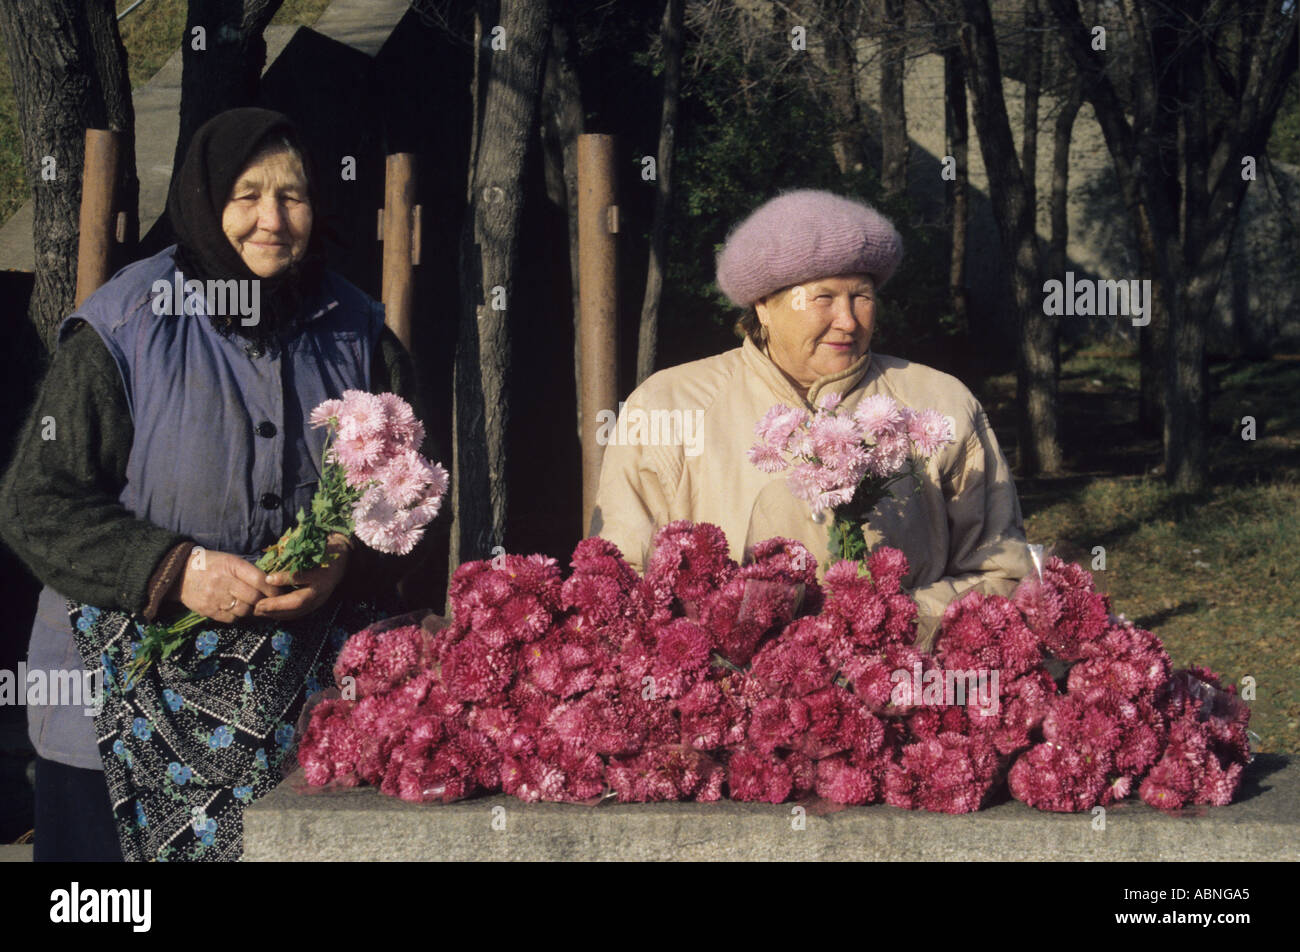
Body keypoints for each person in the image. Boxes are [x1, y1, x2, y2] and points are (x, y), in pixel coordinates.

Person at [0, 108, 429, 861]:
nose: (273, 219)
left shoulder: (356, 328)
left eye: (292, 196)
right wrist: (177, 570)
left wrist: (345, 552)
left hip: (294, 717)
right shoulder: (128, 324)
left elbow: (408, 492)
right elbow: (35, 505)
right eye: (247, 195)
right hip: (119, 716)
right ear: (204, 201)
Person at [590, 189, 1034, 649]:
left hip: (904, 688)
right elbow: (624, 577)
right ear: (763, 304)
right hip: (731, 696)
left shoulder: (939, 401)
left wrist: (892, 626)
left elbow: (1002, 567)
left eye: (861, 296)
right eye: (823, 298)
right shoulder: (671, 404)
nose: (847, 321)